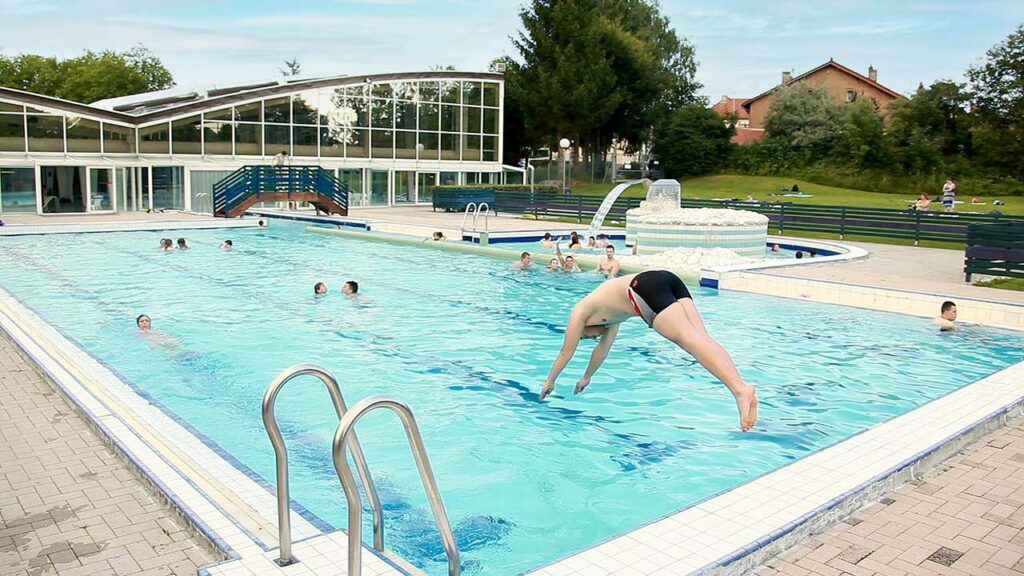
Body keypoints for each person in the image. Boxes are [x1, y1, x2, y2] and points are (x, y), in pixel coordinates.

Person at [539, 270, 758, 432]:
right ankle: (741, 387)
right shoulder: (611, 317)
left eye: (587, 336)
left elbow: (566, 352)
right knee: (702, 339)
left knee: (689, 342)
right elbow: (602, 350)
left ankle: (740, 390)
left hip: (642, 287)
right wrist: (586, 377)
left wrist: (549, 381)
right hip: (665, 279)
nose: (594, 336)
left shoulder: (579, 312)